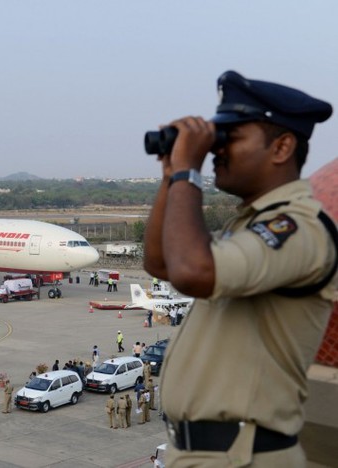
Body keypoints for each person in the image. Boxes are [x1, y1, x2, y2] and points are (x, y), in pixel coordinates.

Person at [143, 70, 337, 466]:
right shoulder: (248, 225)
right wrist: (171, 175)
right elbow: (161, 262)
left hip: (240, 456)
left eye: (230, 137)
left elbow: (192, 273)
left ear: (282, 147)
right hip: (208, 453)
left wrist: (188, 172)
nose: (217, 151)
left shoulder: (297, 228)